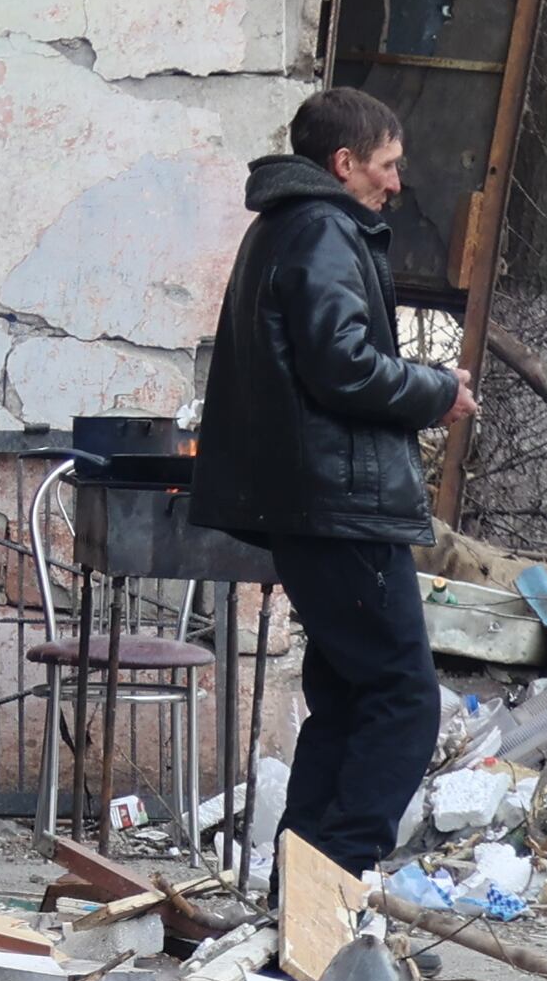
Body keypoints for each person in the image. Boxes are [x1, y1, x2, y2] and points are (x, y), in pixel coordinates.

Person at [192, 86, 470, 880]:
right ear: (343, 163)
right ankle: (333, 885)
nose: (395, 182)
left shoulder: (288, 225)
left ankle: (302, 901)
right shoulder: (321, 229)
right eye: (386, 165)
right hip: (341, 507)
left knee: (350, 704)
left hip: (314, 506)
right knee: (402, 705)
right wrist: (435, 389)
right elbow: (341, 364)